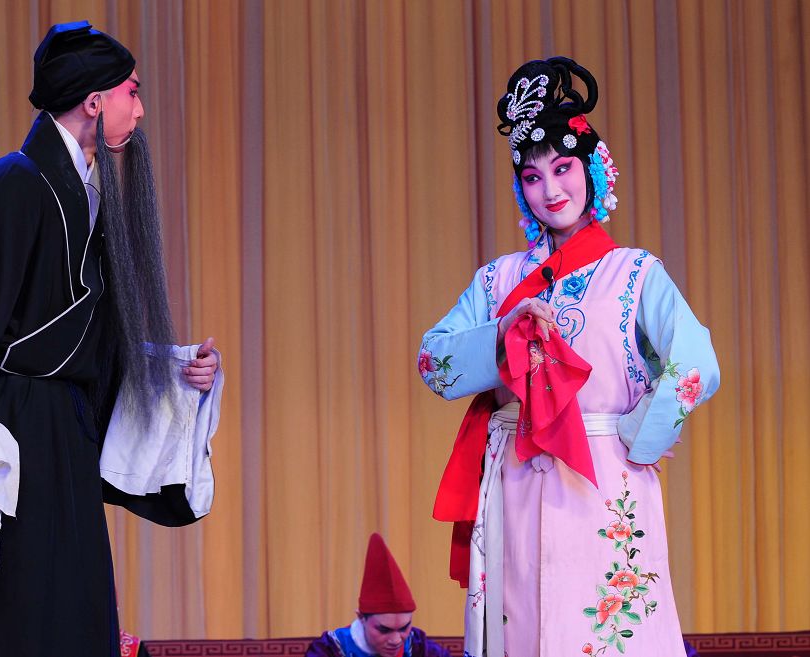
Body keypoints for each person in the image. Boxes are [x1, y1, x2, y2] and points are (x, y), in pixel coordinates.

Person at [0, 21, 222, 657]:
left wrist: (173, 372)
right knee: (14, 617)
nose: (140, 109)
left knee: (71, 611)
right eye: (132, 92)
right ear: (94, 101)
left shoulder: (87, 196)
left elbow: (80, 342)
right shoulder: (16, 183)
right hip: (13, 434)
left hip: (64, 434)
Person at [419, 57, 718, 657]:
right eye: (532, 177)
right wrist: (503, 330)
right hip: (512, 479)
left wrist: (640, 437)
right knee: (521, 627)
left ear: (592, 170)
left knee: (603, 633)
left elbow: (696, 365)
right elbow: (434, 362)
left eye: (562, 168)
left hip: (603, 479)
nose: (551, 190)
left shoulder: (634, 272)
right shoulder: (499, 279)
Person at [306, 534, 450, 657]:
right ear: (361, 618)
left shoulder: (420, 647)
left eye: (404, 628)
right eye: (384, 630)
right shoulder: (330, 649)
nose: (396, 640)